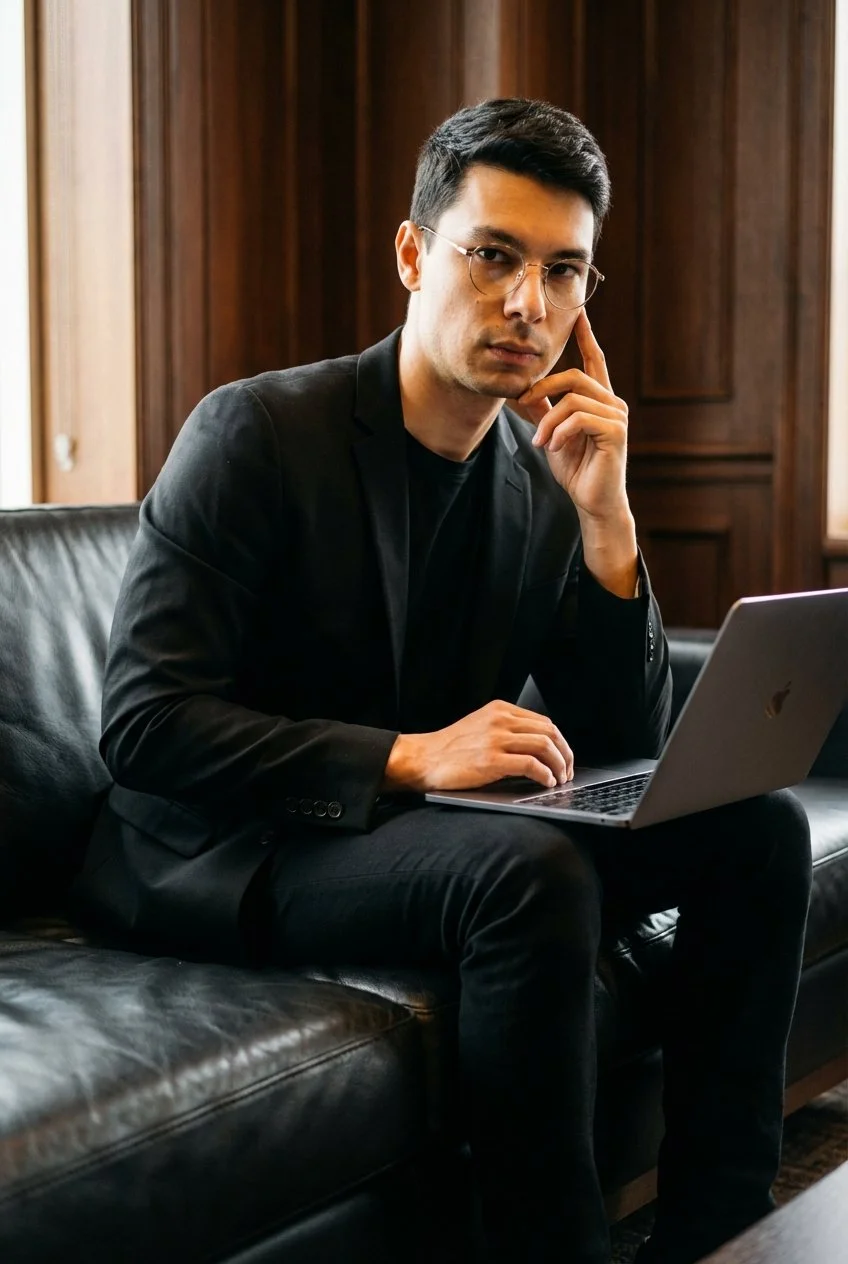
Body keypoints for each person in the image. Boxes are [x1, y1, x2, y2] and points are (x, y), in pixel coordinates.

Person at [73, 99, 812, 1264]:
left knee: (755, 831)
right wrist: (409, 757)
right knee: (528, 872)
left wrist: (609, 529)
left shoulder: (531, 481)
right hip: (230, 845)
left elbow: (625, 735)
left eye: (562, 271)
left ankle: (719, 1235)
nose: (528, 303)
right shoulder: (258, 431)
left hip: (420, 831)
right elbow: (145, 725)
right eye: (494, 256)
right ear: (415, 255)